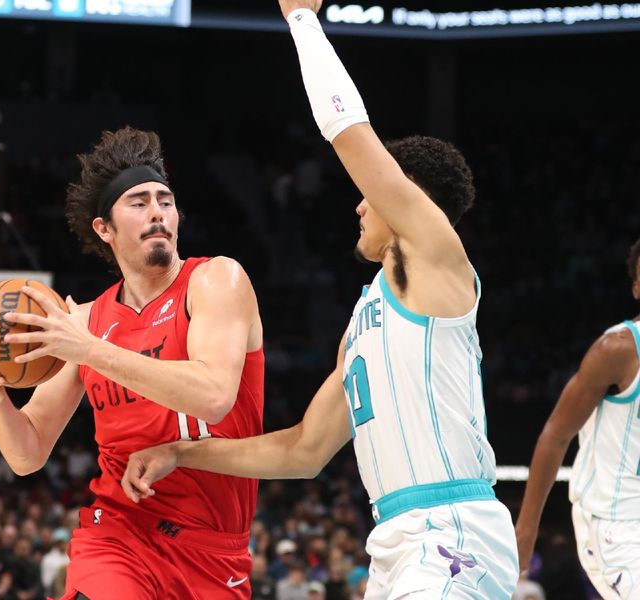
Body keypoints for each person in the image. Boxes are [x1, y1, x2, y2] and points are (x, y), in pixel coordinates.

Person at [121, 1, 519, 597]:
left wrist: (303, 21)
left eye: (370, 192)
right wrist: (182, 451)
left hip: (454, 528)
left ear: (402, 197)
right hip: (396, 539)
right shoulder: (366, 318)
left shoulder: (440, 261)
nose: (358, 204)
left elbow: (349, 133)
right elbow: (304, 449)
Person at [0, 126, 265, 599]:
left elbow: (214, 396)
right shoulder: (85, 320)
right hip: (118, 534)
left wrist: (88, 350)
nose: (158, 212)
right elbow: (27, 454)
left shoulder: (216, 280)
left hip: (213, 550)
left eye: (165, 200)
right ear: (105, 229)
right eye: (138, 203)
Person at [515, 238, 640, 600]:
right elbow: (555, 435)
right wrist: (526, 530)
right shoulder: (618, 350)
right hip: (616, 523)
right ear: (635, 288)